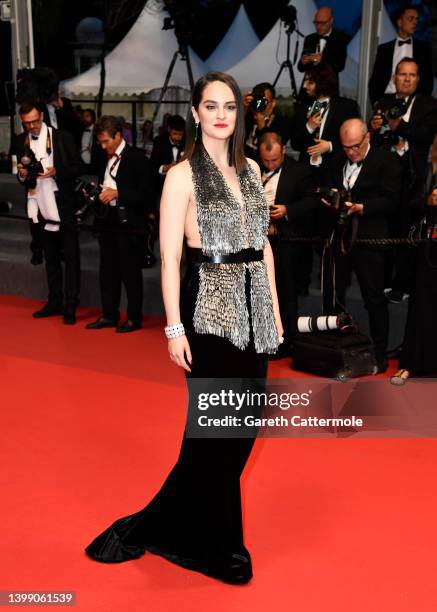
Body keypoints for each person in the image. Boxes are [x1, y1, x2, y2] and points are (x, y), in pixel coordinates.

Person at [84, 72, 283, 584]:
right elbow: (170, 257)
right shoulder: (181, 175)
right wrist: (173, 329)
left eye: (230, 107)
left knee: (242, 429)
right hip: (209, 305)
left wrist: (276, 311)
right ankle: (217, 544)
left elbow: (262, 245)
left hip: (254, 304)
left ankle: (171, 522)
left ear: (239, 115)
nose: (221, 114)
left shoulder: (252, 168)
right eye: (211, 106)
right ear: (195, 113)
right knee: (214, 430)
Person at [321, 118, 401, 373]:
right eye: (346, 147)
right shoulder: (337, 162)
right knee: (335, 295)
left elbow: (394, 199)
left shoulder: (386, 161)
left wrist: (363, 208)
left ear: (367, 137)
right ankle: (337, 346)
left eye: (355, 145)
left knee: (374, 298)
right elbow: (325, 190)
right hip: (341, 239)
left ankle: (380, 351)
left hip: (370, 239)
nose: (351, 151)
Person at [369, 58, 437, 302]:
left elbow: (426, 135)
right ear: (394, 77)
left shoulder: (429, 105)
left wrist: (399, 125)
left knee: (408, 235)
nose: (407, 79)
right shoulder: (383, 103)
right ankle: (382, 282)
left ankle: (403, 285)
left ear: (418, 79)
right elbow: (372, 143)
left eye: (412, 75)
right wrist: (375, 128)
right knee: (382, 232)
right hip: (383, 180)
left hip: (414, 180)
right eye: (402, 74)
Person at [15, 102, 83, 324]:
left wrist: (56, 171)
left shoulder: (61, 137)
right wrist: (23, 174)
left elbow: (78, 167)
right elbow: (21, 176)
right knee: (50, 257)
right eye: (27, 123)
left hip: (62, 204)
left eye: (35, 121)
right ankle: (54, 301)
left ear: (42, 116)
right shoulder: (20, 140)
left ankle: (71, 305)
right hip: (36, 203)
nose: (32, 126)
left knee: (71, 257)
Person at [85, 116, 152, 333]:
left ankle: (134, 317)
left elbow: (147, 195)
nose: (103, 146)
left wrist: (118, 193)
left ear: (118, 135)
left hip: (129, 222)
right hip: (107, 220)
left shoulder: (137, 158)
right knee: (108, 270)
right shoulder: (102, 155)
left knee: (130, 272)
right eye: (100, 142)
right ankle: (109, 314)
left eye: (106, 142)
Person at [259, 131, 317, 356]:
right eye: (266, 160)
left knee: (285, 292)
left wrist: (287, 210)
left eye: (274, 159)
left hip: (288, 242)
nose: (270, 163)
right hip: (259, 240)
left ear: (283, 150)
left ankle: (287, 339)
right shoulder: (252, 170)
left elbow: (312, 201)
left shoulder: (300, 171)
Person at [390, 136, 437, 385]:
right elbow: (409, 205)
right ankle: (411, 364)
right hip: (428, 251)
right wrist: (428, 201)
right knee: (421, 308)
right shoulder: (426, 171)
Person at [290, 63, 360, 178]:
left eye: (310, 82)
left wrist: (330, 146)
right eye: (305, 81)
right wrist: (309, 127)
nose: (304, 86)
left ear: (322, 83)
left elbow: (357, 142)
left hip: (335, 173)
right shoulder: (303, 107)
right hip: (306, 174)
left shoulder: (346, 107)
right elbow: (295, 144)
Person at [368, 5, 433, 105]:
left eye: (416, 19)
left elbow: (427, 81)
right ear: (400, 22)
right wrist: (376, 102)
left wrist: (420, 103)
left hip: (414, 103)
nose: (415, 22)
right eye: (410, 18)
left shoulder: (423, 50)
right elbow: (375, 80)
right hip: (387, 100)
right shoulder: (384, 49)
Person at [297, 7, 348, 79]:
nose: (318, 26)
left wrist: (322, 59)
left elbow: (340, 66)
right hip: (308, 86)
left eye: (322, 23)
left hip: (329, 87)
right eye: (316, 22)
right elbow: (301, 68)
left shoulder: (340, 39)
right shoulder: (309, 39)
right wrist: (302, 62)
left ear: (331, 21)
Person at [243, 82, 290, 159]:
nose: (260, 103)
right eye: (257, 100)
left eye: (264, 101)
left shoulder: (282, 122)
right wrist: (243, 109)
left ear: (273, 103)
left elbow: (271, 149)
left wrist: (262, 126)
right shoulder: (248, 116)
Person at [150, 114, 185, 205]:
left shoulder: (187, 142)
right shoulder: (159, 142)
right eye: (174, 134)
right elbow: (152, 166)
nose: (177, 137)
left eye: (180, 134)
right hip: (162, 187)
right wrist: (165, 168)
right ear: (169, 129)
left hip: (182, 189)